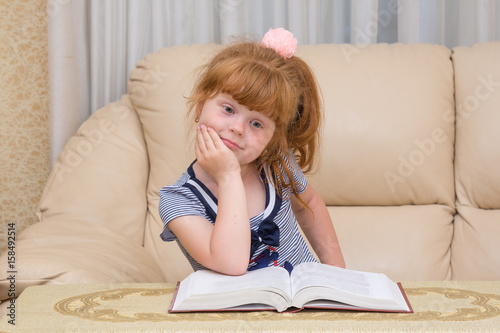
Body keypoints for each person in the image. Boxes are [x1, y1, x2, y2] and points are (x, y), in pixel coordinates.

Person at [159, 28, 345, 276]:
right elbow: (231, 263)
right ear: (199, 106)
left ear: (272, 139)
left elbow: (308, 203)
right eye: (228, 109)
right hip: (239, 314)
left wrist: (340, 277)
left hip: (306, 305)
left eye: (256, 124)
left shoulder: (277, 164)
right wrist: (228, 176)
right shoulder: (179, 201)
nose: (237, 128)